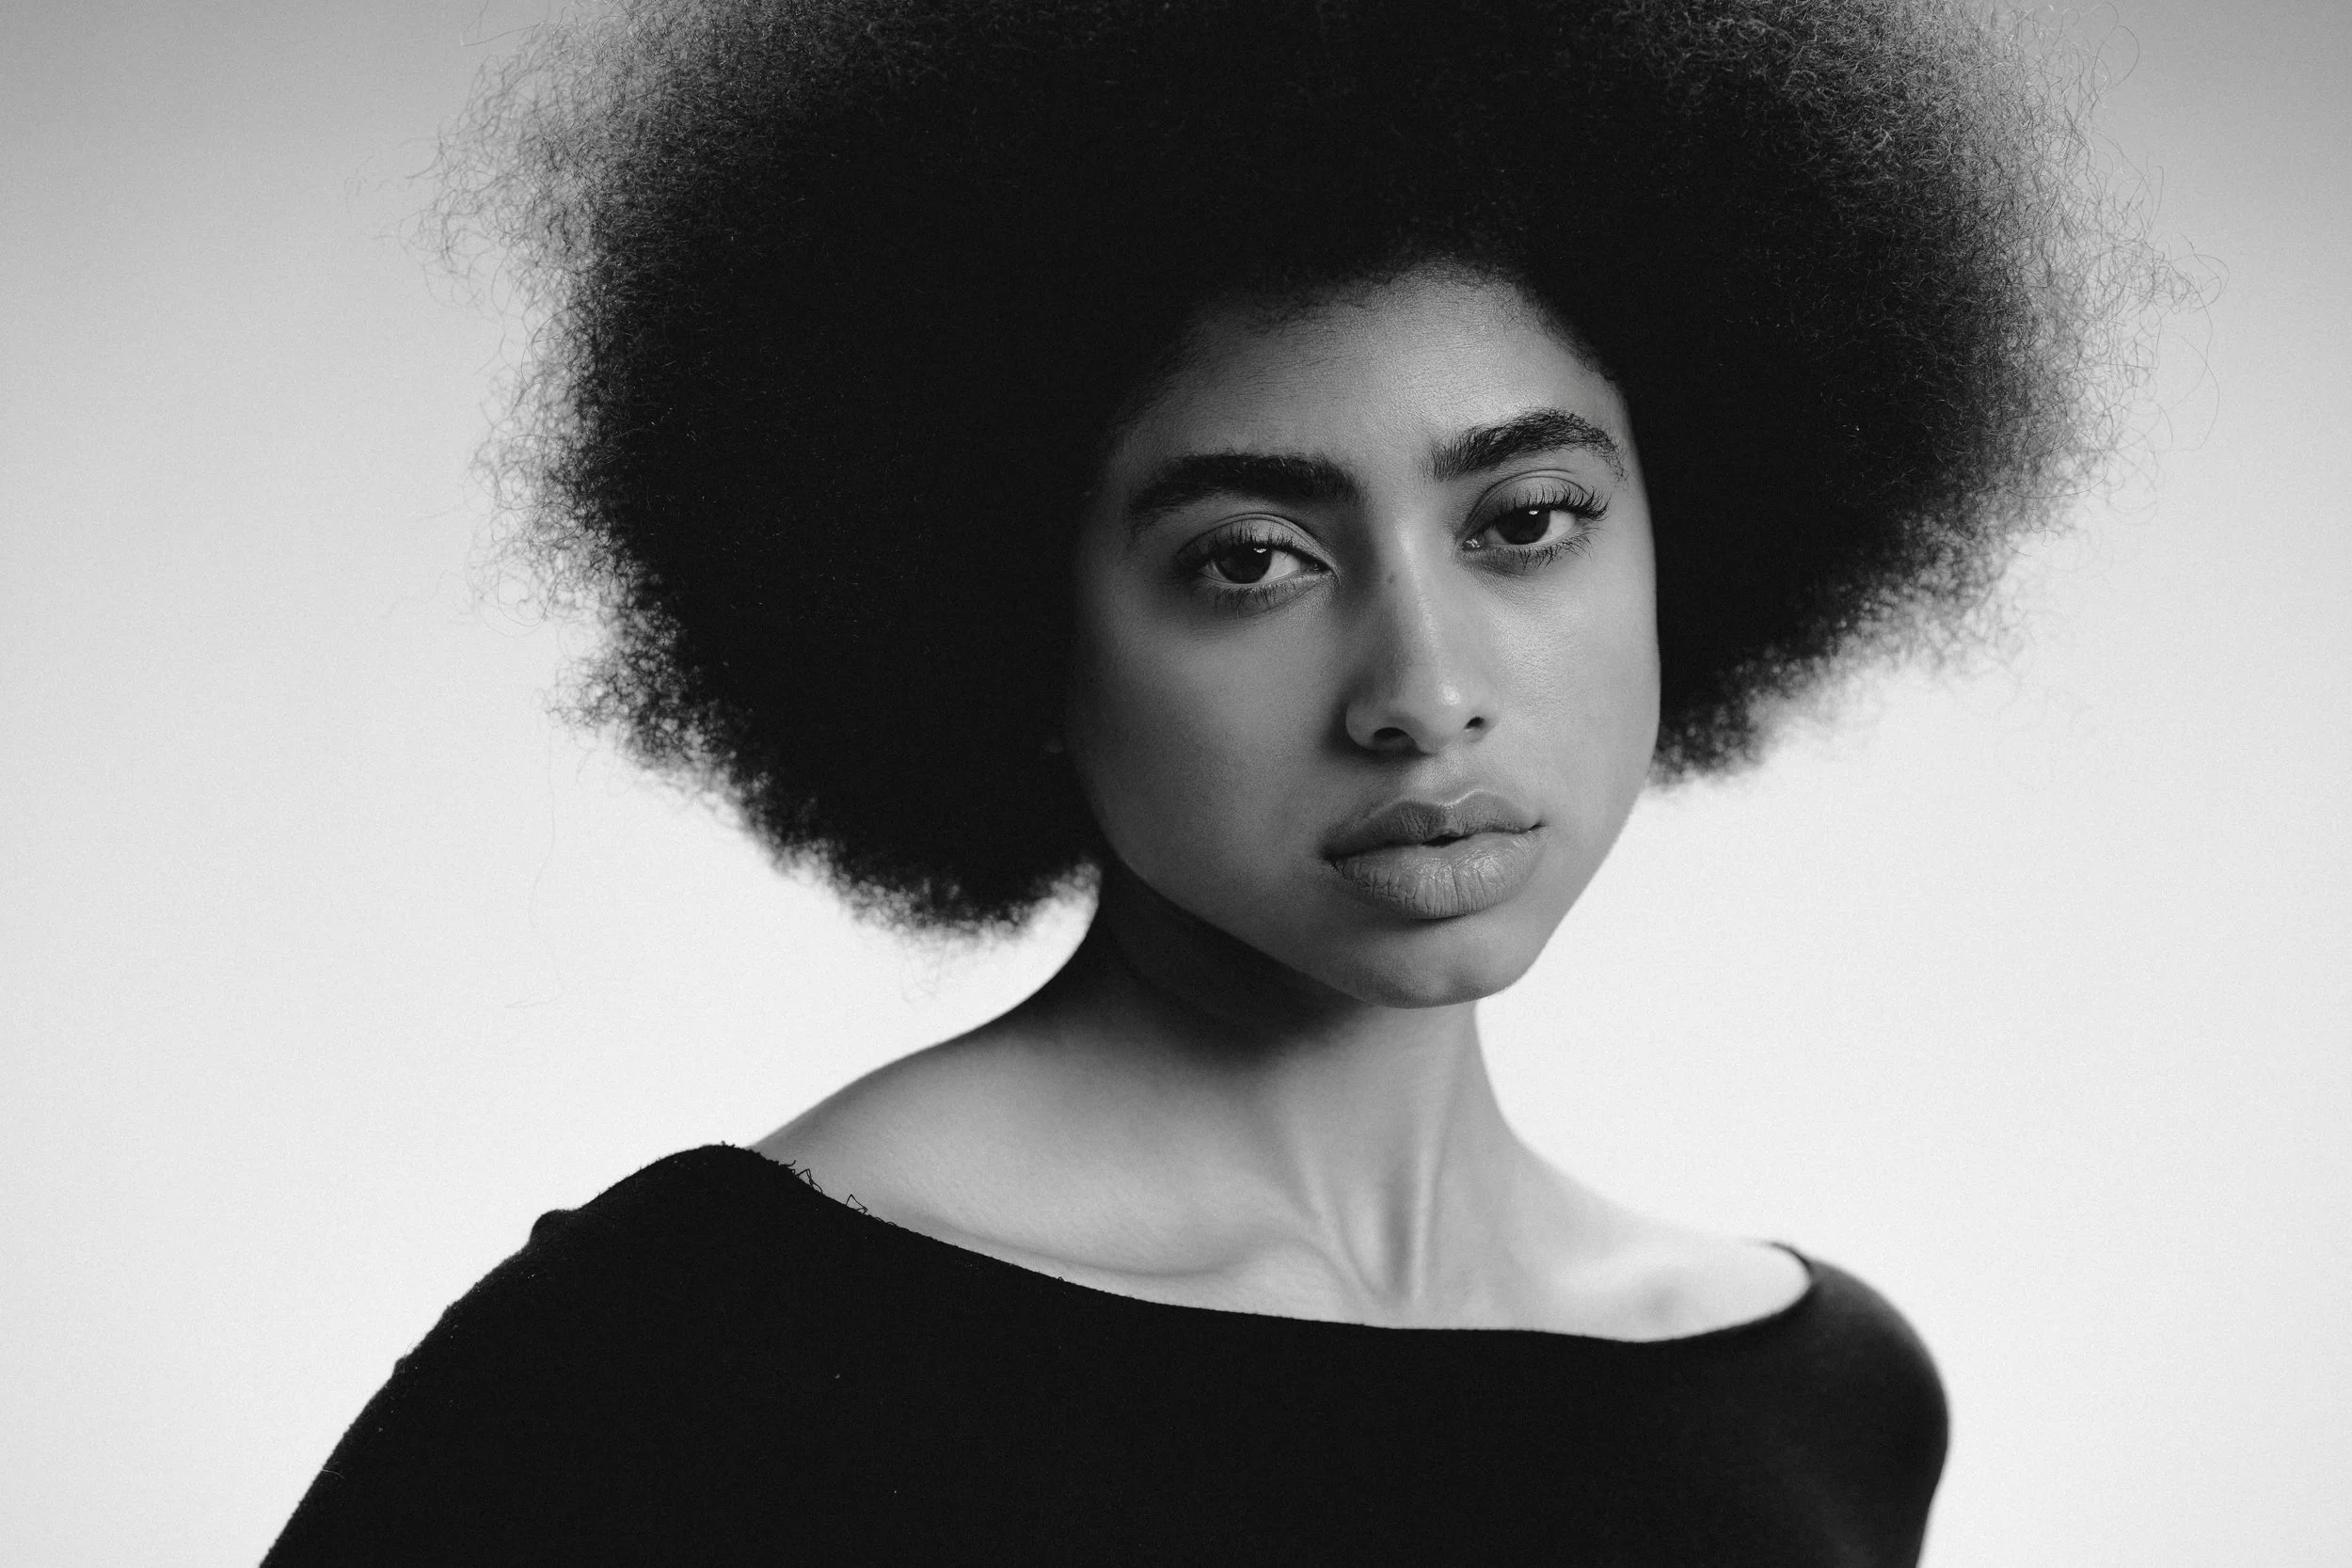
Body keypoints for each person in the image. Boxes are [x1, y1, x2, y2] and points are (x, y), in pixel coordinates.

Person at [268, 0, 2152, 1560]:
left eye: (1523, 520)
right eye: (1250, 558)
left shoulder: (1825, 1396)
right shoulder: (688, 1356)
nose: (1423, 693)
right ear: (999, 619)